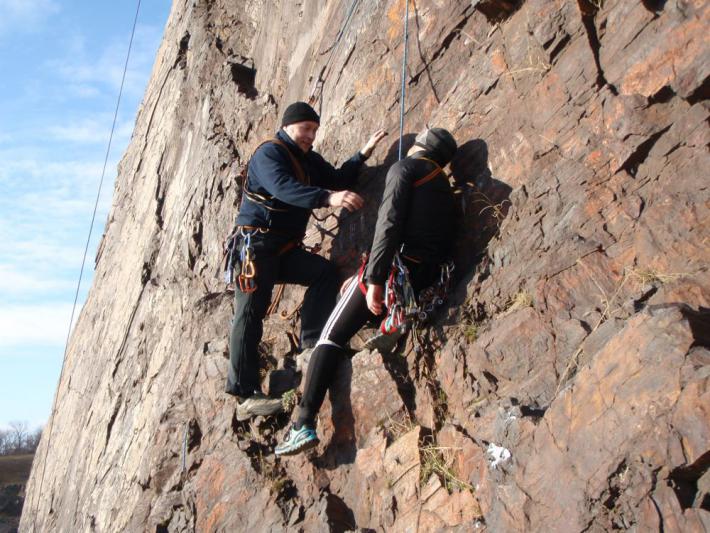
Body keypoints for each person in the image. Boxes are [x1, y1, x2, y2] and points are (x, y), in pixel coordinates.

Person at [275, 127, 458, 456]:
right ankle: (387, 323)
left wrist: (372, 280)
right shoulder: (445, 186)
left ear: (421, 145)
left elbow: (389, 225)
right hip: (423, 283)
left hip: (392, 277)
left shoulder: (405, 169)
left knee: (329, 335)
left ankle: (303, 424)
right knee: (348, 323)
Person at [225, 100, 387, 421]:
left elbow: (338, 179)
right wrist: (327, 198)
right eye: (305, 129)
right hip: (253, 247)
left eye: (314, 130)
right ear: (288, 126)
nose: (310, 135)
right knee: (250, 313)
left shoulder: (308, 159)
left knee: (323, 274)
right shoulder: (268, 154)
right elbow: (284, 189)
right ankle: (244, 395)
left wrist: (363, 154)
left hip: (280, 250)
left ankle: (309, 348)